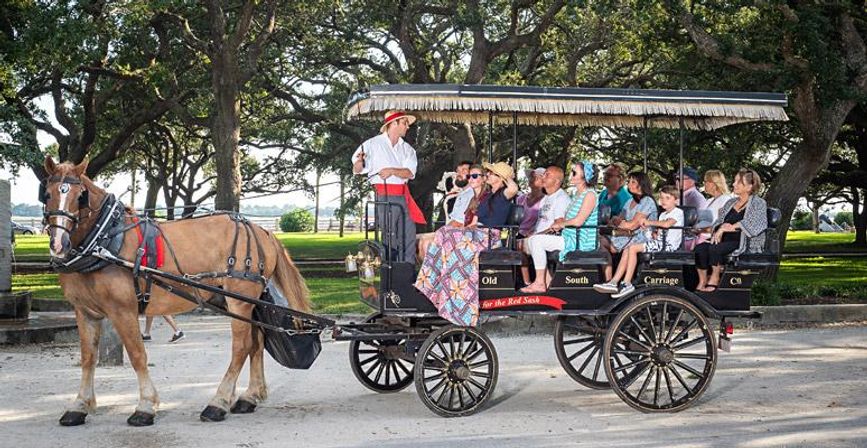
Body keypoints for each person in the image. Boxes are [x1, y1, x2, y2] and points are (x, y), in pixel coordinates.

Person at [415, 163, 515, 326]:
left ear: (499, 178)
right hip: (477, 233)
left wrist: (504, 174)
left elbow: (513, 187)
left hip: (489, 236)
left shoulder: (504, 194)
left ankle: (460, 300)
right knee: (443, 233)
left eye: (491, 173)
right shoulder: (487, 196)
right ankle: (432, 283)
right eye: (488, 172)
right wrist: (461, 231)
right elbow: (474, 222)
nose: (488, 175)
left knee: (457, 244)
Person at [351, 110, 425, 264]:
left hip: (404, 196)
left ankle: (407, 275)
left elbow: (410, 173)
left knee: (408, 235)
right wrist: (359, 163)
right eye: (405, 123)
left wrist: (391, 170)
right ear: (394, 123)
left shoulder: (407, 149)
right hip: (384, 194)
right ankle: (390, 273)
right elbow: (357, 169)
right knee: (390, 236)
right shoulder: (371, 144)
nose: (407, 127)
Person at [594, 185, 684, 298]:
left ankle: (627, 283)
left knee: (633, 248)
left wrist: (648, 222)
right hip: (660, 242)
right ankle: (614, 282)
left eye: (667, 198)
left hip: (668, 246)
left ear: (676, 200)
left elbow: (667, 224)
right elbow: (660, 232)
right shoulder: (663, 214)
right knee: (629, 247)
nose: (663, 201)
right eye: (661, 198)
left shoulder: (678, 212)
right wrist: (652, 233)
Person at [521, 162, 598, 293]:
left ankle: (540, 283)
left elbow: (579, 221)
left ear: (584, 177)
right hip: (569, 237)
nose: (571, 175)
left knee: (536, 240)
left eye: (574, 173)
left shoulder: (590, 194)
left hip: (580, 241)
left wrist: (560, 224)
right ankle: (547, 283)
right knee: (535, 240)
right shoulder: (577, 195)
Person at [694, 168, 768, 292]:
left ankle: (715, 278)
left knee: (715, 248)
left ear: (749, 186)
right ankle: (702, 281)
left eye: (738, 182)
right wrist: (718, 229)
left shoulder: (758, 203)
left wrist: (731, 227)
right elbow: (719, 221)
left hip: (743, 241)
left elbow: (756, 224)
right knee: (700, 249)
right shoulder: (730, 202)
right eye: (735, 181)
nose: (734, 184)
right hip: (724, 239)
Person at [519, 166, 571, 292]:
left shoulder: (561, 198)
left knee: (532, 242)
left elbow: (558, 224)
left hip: (557, 237)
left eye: (547, 175)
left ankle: (538, 282)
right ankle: (547, 282)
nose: (543, 177)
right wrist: (531, 232)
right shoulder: (547, 198)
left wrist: (537, 234)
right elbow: (541, 221)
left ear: (557, 181)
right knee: (520, 242)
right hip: (540, 235)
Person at [601, 171, 657, 280]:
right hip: (627, 234)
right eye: (629, 182)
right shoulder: (630, 201)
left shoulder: (647, 201)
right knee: (598, 240)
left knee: (627, 247)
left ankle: (618, 281)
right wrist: (617, 221)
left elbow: (633, 225)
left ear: (641, 184)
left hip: (641, 235)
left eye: (633, 182)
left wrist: (621, 223)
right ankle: (607, 278)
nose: (629, 184)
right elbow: (619, 218)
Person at [516, 167, 545, 285]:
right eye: (531, 176)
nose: (531, 179)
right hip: (518, 232)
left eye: (536, 177)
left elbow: (544, 220)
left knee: (520, 245)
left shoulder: (545, 200)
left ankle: (527, 282)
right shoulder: (521, 198)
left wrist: (533, 231)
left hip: (535, 233)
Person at [697, 169, 736, 245]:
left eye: (706, 181)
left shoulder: (725, 200)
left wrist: (701, 230)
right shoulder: (709, 201)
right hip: (700, 236)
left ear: (714, 184)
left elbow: (721, 223)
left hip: (711, 239)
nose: (704, 184)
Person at [676, 167, 708, 250]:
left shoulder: (696, 197)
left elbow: (702, 221)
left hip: (689, 236)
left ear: (692, 181)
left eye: (681, 179)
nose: (677, 181)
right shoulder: (682, 196)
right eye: (676, 178)